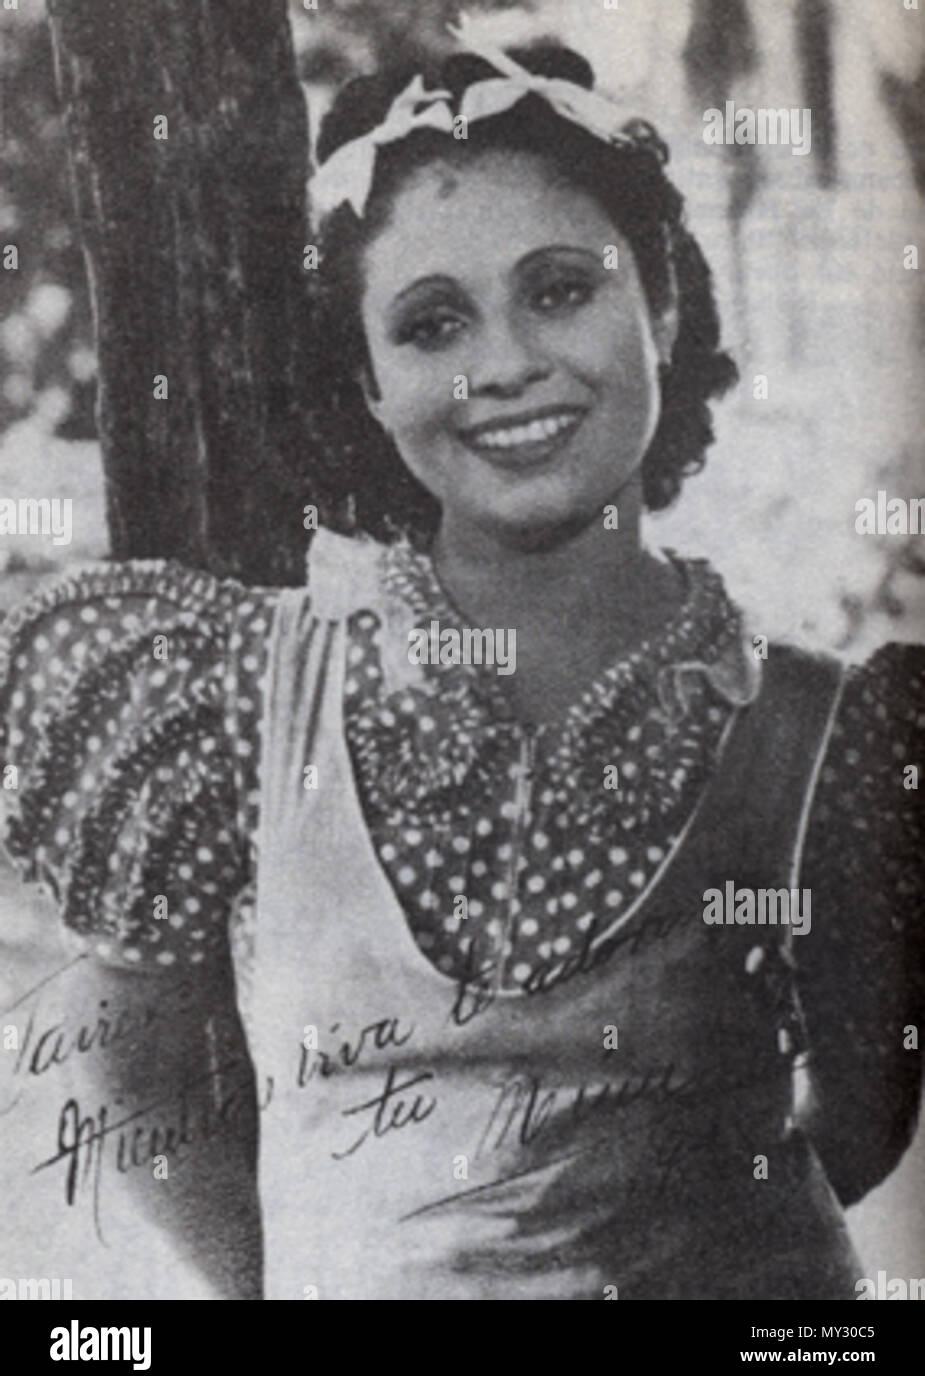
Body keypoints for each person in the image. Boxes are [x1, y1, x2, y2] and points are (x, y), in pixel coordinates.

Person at [0, 33, 922, 1301]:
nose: (503, 365)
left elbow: (860, 1126)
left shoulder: (829, 731)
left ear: (657, 301)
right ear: (369, 382)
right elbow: (144, 1084)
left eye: (558, 289)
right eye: (432, 323)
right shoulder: (236, 691)